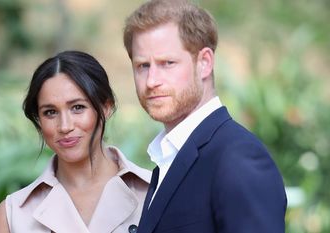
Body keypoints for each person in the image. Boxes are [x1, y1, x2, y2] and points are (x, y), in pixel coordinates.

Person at [123, 0, 287, 232]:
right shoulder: (169, 157)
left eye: (167, 63)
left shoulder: (238, 158)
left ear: (204, 63)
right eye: (142, 66)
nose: (151, 81)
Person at [0, 50, 150, 233]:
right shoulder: (13, 215)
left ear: (106, 108)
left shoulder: (156, 192)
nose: (65, 126)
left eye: (77, 108)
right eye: (50, 112)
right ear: (39, 121)